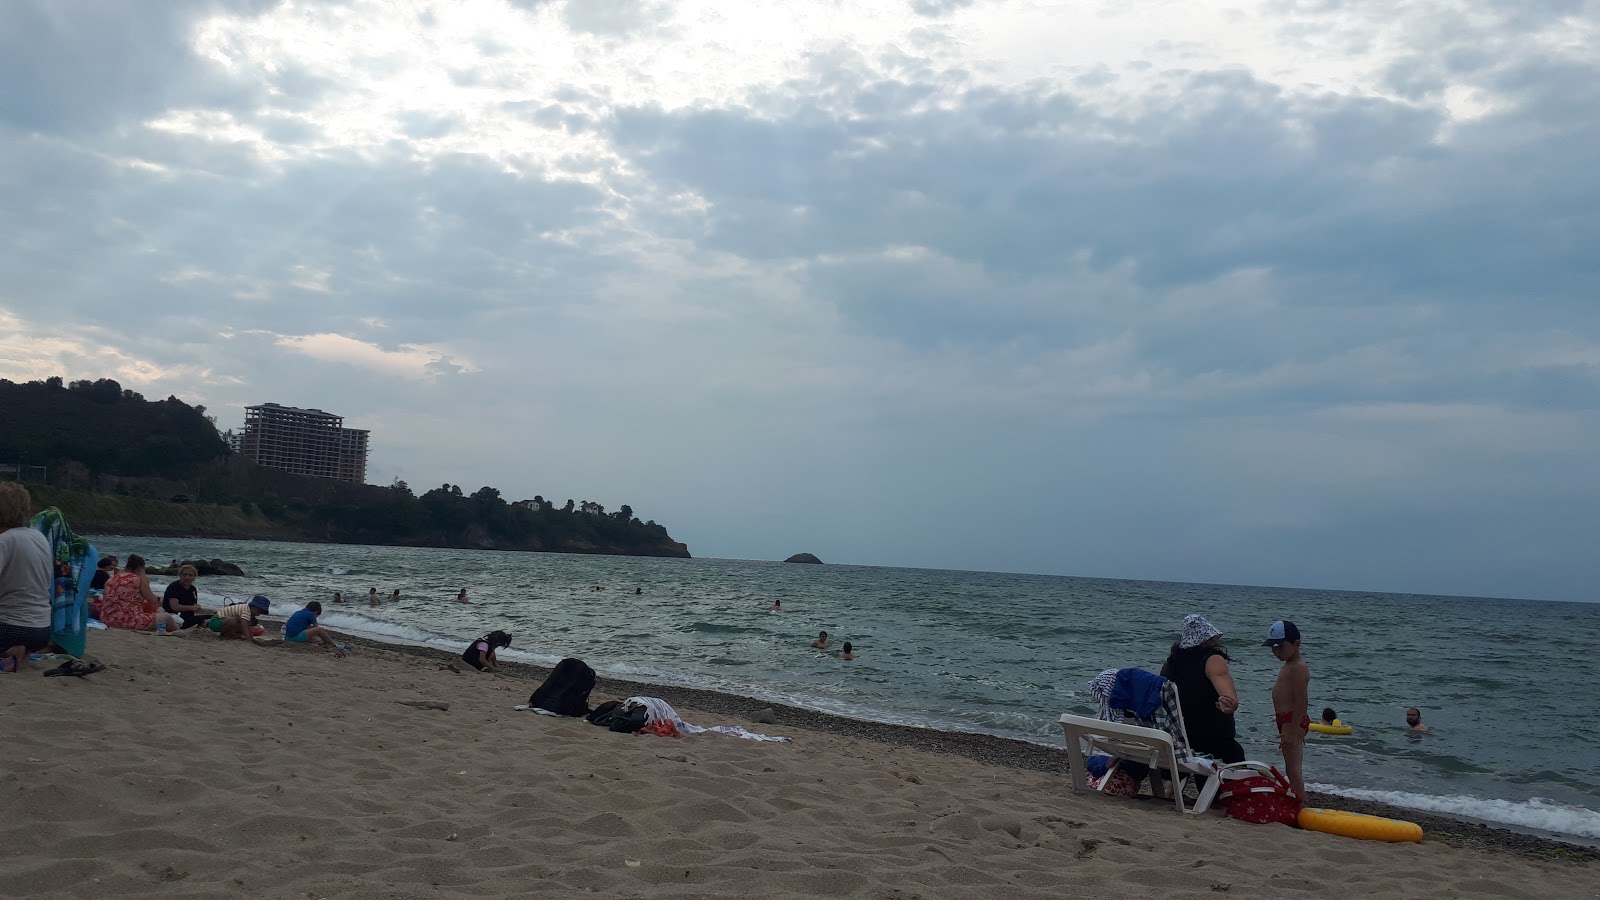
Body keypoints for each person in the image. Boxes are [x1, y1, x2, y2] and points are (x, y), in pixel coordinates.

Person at [1159, 614, 1244, 763]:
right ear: (1207, 639)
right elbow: (1229, 699)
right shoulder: (1213, 660)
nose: (1217, 641)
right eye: (1213, 638)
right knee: (1235, 755)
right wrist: (1230, 704)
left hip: (1180, 742)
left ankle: (1173, 786)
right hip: (1213, 741)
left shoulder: (1170, 664)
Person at [0, 483, 54, 673]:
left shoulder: (5, 541)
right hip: (42, 629)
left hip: (12, 627)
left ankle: (11, 652)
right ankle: (23, 653)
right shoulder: (39, 538)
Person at [1265, 619, 1310, 803]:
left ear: (1296, 644)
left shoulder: (1298, 667)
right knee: (1290, 767)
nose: (1275, 652)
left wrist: (1292, 729)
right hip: (1286, 720)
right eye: (1272, 647)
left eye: (1279, 647)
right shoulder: (1290, 665)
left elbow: (1302, 700)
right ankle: (1297, 802)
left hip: (1292, 720)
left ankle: (1301, 807)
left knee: (1293, 770)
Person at [100, 554, 184, 634]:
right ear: (139, 569)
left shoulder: (112, 578)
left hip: (106, 618)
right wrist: (144, 579)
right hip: (125, 621)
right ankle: (181, 631)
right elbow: (153, 601)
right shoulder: (137, 579)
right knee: (167, 617)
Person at [161, 564, 212, 630]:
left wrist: (196, 607)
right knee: (201, 620)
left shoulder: (192, 589)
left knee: (213, 617)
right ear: (180, 576)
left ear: (194, 578)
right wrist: (192, 608)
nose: (187, 577)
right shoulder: (174, 587)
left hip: (188, 617)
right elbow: (175, 607)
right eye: (184, 575)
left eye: (190, 575)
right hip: (174, 617)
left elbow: (192, 605)